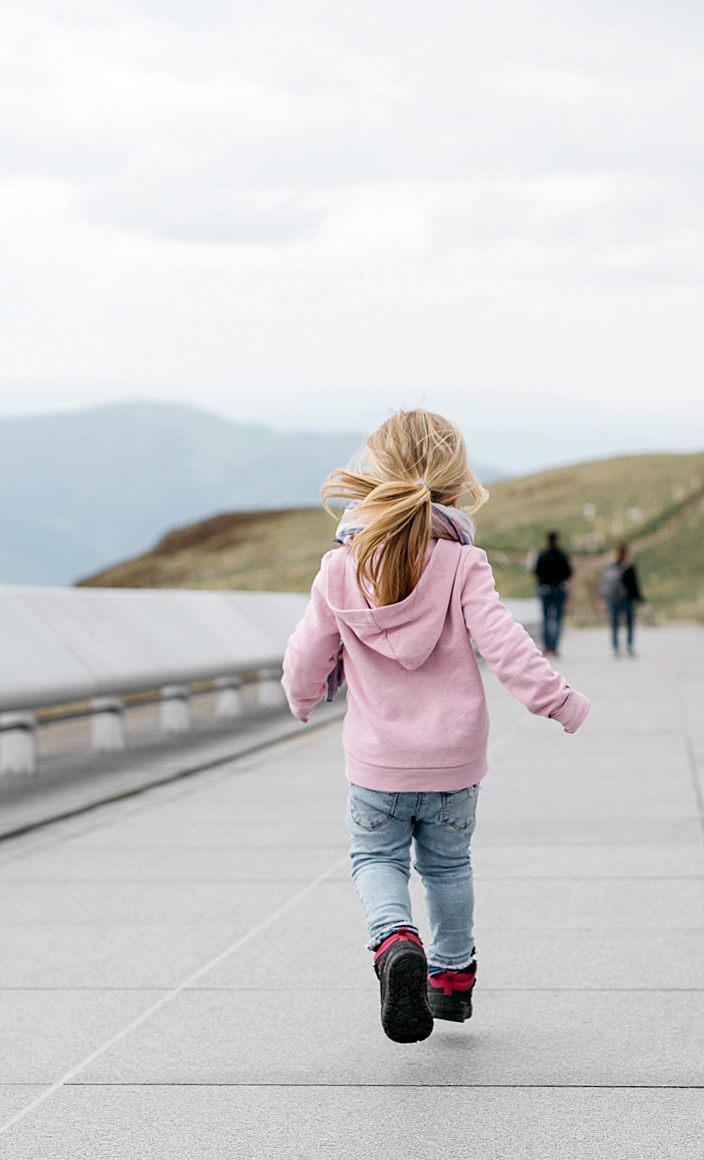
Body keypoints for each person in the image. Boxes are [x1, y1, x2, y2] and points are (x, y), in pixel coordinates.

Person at [283, 410, 591, 1044]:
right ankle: (450, 983)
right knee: (448, 869)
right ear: (456, 482)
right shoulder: (461, 563)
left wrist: (302, 696)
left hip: (377, 762)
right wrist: (558, 701)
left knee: (375, 857)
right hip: (453, 764)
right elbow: (506, 645)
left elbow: (308, 653)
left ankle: (395, 941)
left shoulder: (339, 567)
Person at [597, 543, 643, 657]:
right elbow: (633, 586)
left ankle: (616, 648)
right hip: (626, 599)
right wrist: (638, 597)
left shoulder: (610, 567)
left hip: (613, 599)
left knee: (615, 624)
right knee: (629, 623)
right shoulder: (629, 567)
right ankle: (629, 646)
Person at [532, 530, 573, 656]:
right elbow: (569, 573)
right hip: (559, 589)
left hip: (545, 589)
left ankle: (546, 646)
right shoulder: (562, 555)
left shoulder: (542, 555)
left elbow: (536, 572)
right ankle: (554, 647)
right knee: (557, 619)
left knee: (545, 619)